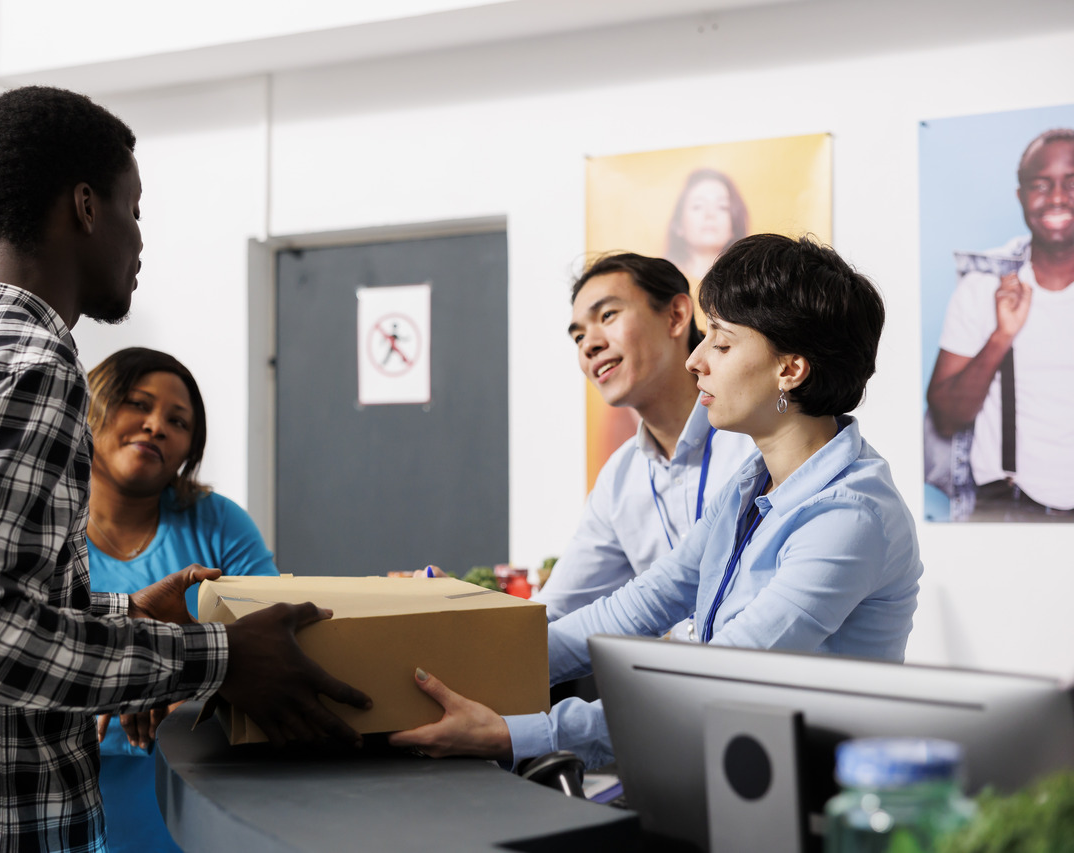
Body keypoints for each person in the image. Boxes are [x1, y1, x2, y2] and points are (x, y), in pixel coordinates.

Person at [0, 86, 369, 853]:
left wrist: (128, 613)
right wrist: (216, 657)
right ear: (85, 206)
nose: (139, 240)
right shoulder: (33, 365)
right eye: (133, 209)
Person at [391, 234, 922, 771]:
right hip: (730, 769)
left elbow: (712, 683)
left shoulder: (849, 517)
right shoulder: (750, 485)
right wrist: (482, 667)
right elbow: (643, 603)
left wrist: (516, 734)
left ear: (790, 369)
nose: (697, 360)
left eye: (720, 342)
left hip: (811, 799)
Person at [83, 347, 279, 853]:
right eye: (137, 404)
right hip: (65, 794)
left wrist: (181, 677)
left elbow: (277, 645)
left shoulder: (218, 522)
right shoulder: (41, 522)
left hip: (197, 788)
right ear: (90, 407)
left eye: (177, 421)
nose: (156, 426)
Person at [533, 253, 752, 623]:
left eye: (607, 316)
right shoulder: (620, 478)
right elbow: (555, 612)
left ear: (676, 316)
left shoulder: (755, 440)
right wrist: (468, 609)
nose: (589, 345)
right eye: (579, 336)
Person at [926, 128, 1074, 520]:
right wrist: (1002, 335)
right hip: (1006, 508)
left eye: (1071, 182)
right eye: (1041, 185)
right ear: (1021, 197)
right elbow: (945, 417)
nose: (1058, 197)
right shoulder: (983, 286)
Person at [665, 168, 750, 317]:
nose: (710, 215)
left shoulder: (748, 287)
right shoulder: (664, 286)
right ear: (678, 225)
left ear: (733, 226)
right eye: (698, 206)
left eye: (722, 207)